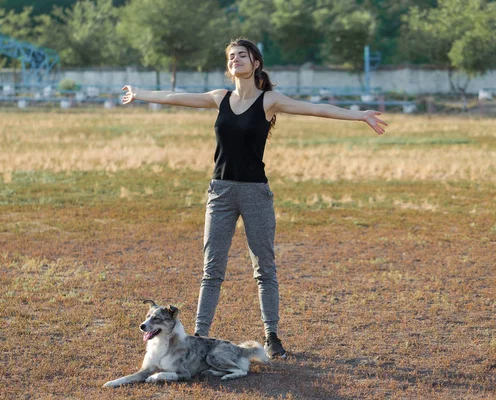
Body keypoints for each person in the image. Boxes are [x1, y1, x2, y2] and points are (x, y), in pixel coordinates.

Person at [121, 38, 387, 359]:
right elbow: (176, 97)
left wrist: (359, 115)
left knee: (264, 268)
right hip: (220, 191)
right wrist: (140, 94)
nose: (236, 60)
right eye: (231, 57)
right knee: (212, 269)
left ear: (255, 63)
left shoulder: (269, 101)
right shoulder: (219, 98)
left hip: (255, 193)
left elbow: (316, 109)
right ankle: (201, 335)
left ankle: (271, 335)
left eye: (242, 56)